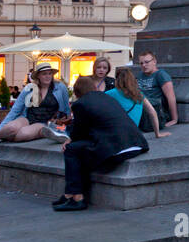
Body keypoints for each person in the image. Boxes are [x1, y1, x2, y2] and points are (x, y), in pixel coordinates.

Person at [52, 75, 149, 212]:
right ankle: (69, 194)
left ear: (77, 92)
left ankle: (77, 198)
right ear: (94, 87)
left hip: (117, 148)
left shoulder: (81, 104)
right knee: (82, 151)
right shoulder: (107, 98)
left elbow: (79, 132)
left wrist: (70, 140)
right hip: (136, 144)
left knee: (72, 149)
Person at [0, 63, 70, 146]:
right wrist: (0, 129)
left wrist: (66, 126)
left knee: (23, 134)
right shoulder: (29, 88)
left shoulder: (60, 87)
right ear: (38, 76)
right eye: (44, 74)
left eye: (50, 73)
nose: (48, 76)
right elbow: (15, 110)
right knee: (11, 128)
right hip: (26, 118)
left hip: (44, 122)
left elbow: (66, 109)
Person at [106, 68, 169, 138]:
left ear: (117, 79)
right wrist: (157, 134)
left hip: (116, 132)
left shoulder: (110, 93)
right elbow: (152, 112)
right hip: (133, 132)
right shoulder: (138, 94)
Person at [135, 50, 178, 131]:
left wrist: (174, 119)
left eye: (147, 62)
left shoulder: (161, 75)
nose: (144, 65)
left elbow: (171, 97)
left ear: (154, 62)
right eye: (141, 63)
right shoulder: (140, 74)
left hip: (156, 110)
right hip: (142, 107)